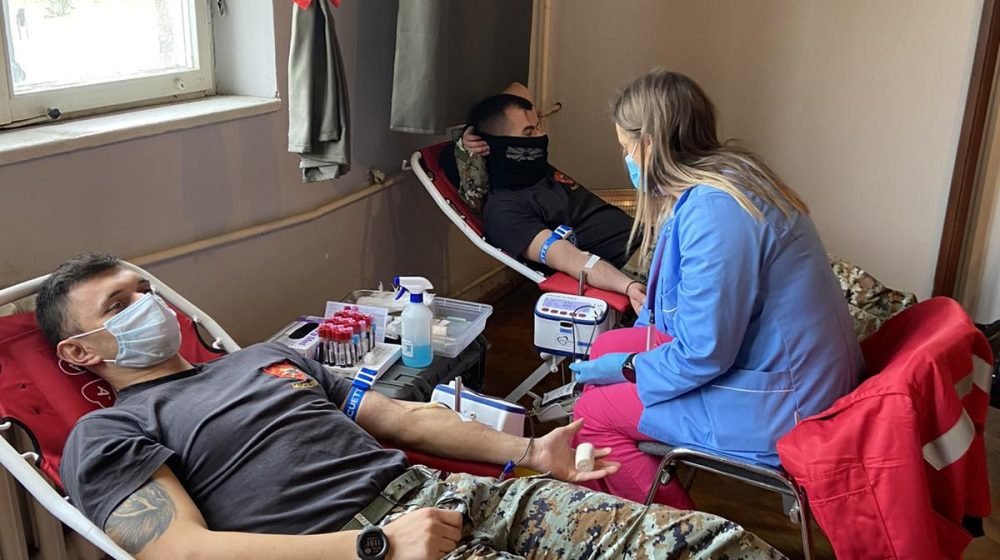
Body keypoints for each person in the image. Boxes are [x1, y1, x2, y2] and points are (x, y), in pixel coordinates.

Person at [41, 253, 784, 560]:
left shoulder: (264, 357)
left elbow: (399, 417)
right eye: (119, 304)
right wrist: (375, 547)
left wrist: (530, 452)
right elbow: (184, 552)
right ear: (79, 352)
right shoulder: (108, 431)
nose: (149, 305)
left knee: (706, 544)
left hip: (445, 494)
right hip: (358, 544)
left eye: (145, 290)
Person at [569, 70, 863, 506]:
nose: (626, 159)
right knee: (604, 347)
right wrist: (622, 360)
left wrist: (629, 368)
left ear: (649, 144)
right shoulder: (728, 178)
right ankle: (617, 498)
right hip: (785, 366)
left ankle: (676, 532)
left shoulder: (716, 211)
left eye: (625, 148)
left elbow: (704, 352)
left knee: (591, 415)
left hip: (789, 404)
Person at [449, 84, 646, 311]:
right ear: (495, 145)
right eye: (528, 133)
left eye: (538, 126)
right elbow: (569, 259)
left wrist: (470, 132)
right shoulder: (505, 211)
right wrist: (628, 286)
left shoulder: (536, 169)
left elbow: (519, 89)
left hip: (656, 241)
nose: (540, 136)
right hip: (640, 265)